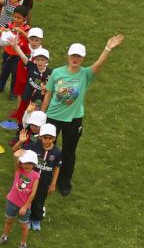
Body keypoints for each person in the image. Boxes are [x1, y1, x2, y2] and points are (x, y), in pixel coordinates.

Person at [41, 35, 125, 195]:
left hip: (73, 120)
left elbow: (99, 64)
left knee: (68, 152)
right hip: (52, 117)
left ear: (83, 58)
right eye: (73, 55)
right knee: (46, 146)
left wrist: (108, 48)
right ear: (68, 56)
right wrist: (42, 116)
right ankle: (43, 176)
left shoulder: (85, 74)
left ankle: (64, 182)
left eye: (78, 56)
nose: (75, 59)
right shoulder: (57, 73)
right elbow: (48, 95)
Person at [0, 150, 40, 248]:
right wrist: (16, 156)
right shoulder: (18, 170)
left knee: (24, 226)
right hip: (12, 202)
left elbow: (33, 193)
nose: (26, 165)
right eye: (24, 163)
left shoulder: (36, 176)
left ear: (34, 164)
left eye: (29, 163)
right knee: (8, 221)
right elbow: (15, 161)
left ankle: (23, 245)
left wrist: (25, 206)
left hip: (24, 206)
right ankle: (4, 237)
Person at [25, 123, 62, 230]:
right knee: (29, 199)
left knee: (39, 201)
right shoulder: (34, 146)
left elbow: (57, 168)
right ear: (40, 137)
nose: (47, 140)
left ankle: (36, 219)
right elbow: (24, 152)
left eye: (50, 138)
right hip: (31, 180)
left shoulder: (57, 152)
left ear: (54, 138)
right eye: (45, 138)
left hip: (44, 182)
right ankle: (27, 218)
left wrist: (53, 183)